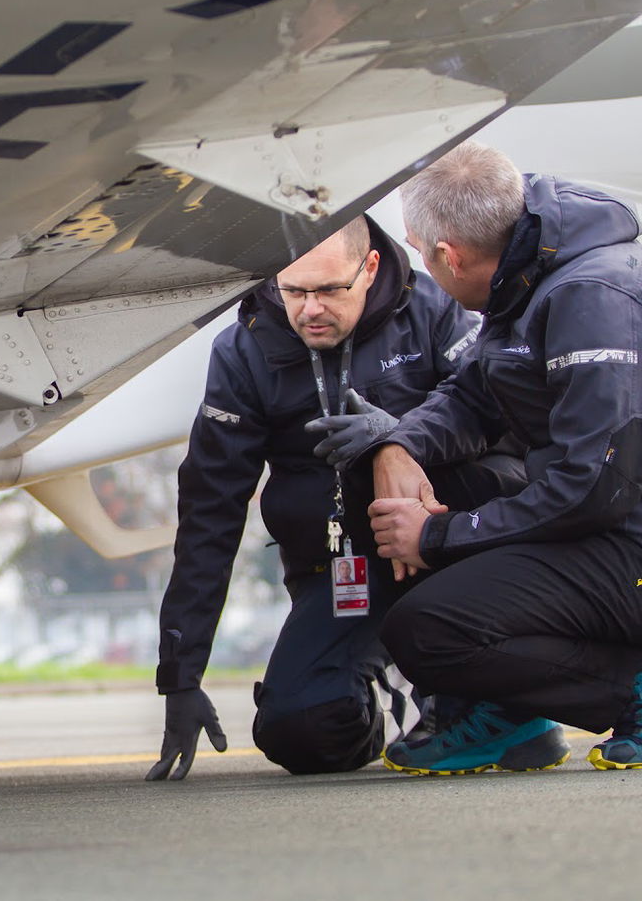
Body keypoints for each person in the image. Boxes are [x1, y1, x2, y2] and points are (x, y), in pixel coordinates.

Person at [366, 140, 642, 774]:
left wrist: (437, 535)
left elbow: (597, 486)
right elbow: (473, 397)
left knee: (425, 630)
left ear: (447, 255)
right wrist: (398, 446)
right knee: (397, 500)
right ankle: (512, 719)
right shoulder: (528, 272)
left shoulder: (600, 295)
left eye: (420, 254)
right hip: (595, 534)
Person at [146, 213, 520, 781]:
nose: (310, 310)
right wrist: (181, 676)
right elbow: (208, 514)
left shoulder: (434, 311)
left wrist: (398, 438)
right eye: (293, 291)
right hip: (343, 568)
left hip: (449, 547)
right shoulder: (243, 350)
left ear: (369, 268)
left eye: (328, 290)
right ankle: (386, 699)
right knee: (299, 732)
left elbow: (503, 422)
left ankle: (485, 692)